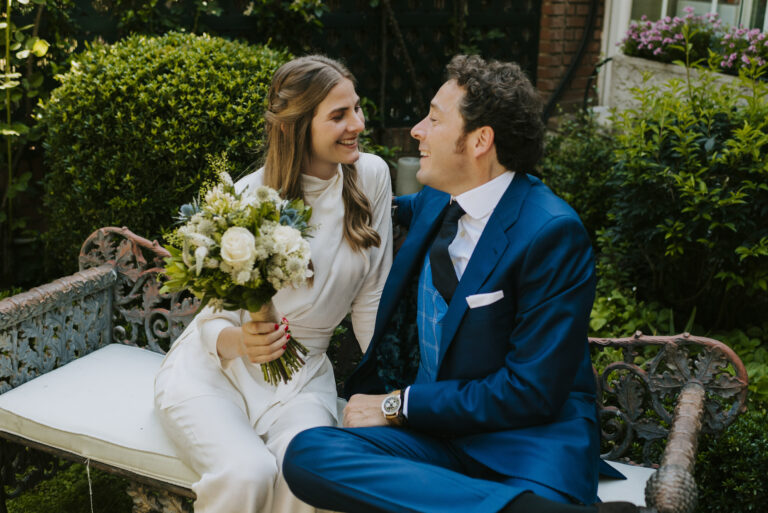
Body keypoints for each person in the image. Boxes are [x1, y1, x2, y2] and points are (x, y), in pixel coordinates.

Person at [282, 55, 637, 513]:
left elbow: (529, 392)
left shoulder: (551, 233)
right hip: (436, 442)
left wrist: (397, 405)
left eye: (433, 119)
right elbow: (369, 206)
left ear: (480, 140)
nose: (417, 131)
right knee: (309, 454)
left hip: (525, 448)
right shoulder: (437, 199)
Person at [153, 55, 393, 513]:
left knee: (304, 474)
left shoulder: (372, 176)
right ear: (296, 127)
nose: (358, 124)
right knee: (248, 473)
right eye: (339, 115)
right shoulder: (249, 196)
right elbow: (214, 318)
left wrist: (398, 393)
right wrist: (243, 341)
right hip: (218, 370)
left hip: (303, 378)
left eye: (357, 108)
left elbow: (372, 299)